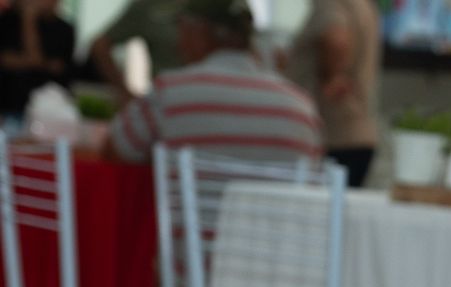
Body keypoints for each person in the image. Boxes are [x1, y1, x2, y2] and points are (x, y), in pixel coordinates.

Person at [105, 0, 321, 164]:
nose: (178, 43)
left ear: (198, 32)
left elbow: (113, 151)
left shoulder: (170, 92)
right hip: (274, 214)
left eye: (181, 29)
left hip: (190, 213)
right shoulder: (301, 107)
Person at [285, 0, 379, 186]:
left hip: (332, 133)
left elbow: (336, 39)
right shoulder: (362, 5)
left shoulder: (330, 2)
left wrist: (332, 77)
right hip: (355, 132)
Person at [87, 0, 184, 106]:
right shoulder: (148, 6)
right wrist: (125, 92)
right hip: (166, 100)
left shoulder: (197, 7)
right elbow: (100, 45)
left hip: (193, 96)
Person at [0, 0, 74, 120]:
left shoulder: (64, 29)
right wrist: (44, 63)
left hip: (46, 109)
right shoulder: (7, 21)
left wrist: (29, 19)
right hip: (8, 103)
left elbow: (50, 65)